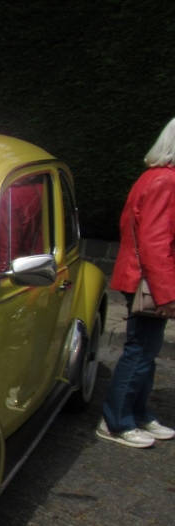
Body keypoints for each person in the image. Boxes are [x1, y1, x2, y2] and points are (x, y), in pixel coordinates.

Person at [98, 117, 175, 449]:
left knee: (146, 351)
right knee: (140, 351)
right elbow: (155, 241)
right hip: (149, 280)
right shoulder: (166, 180)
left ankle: (138, 414)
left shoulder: (155, 177)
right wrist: (166, 292)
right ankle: (116, 421)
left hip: (143, 277)